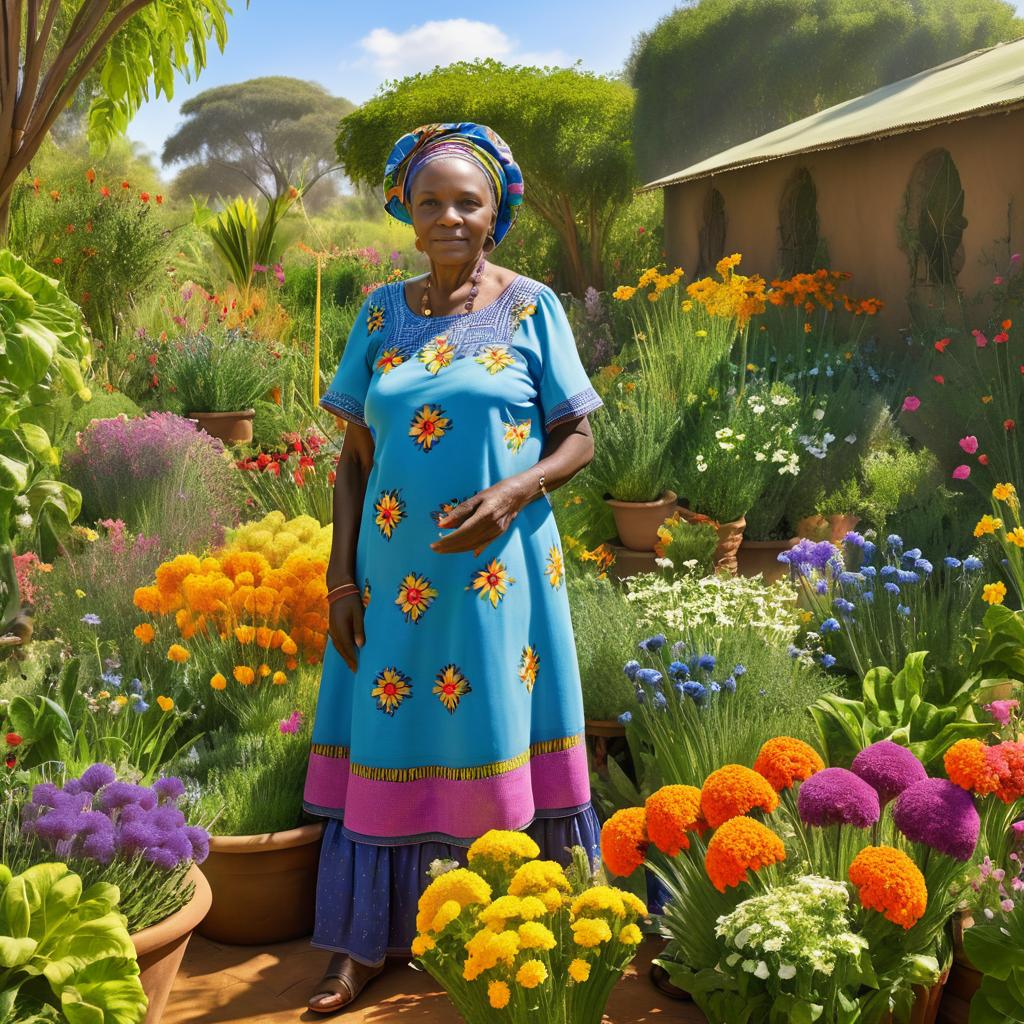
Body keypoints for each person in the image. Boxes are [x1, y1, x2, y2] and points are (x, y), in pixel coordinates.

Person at [303, 122, 605, 1014]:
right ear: (405, 208)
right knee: (393, 735)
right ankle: (363, 941)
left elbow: (579, 435)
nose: (447, 217)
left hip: (498, 578)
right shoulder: (377, 314)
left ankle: (520, 935)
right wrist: (340, 580)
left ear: (495, 212)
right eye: (429, 201)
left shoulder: (532, 307)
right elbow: (354, 459)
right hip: (392, 583)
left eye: (466, 202)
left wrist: (515, 494)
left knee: (494, 733)